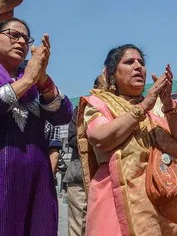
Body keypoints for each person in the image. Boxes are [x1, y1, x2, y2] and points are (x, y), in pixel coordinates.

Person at [0, 18, 73, 235]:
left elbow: (63, 115)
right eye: (13, 35)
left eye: (26, 39)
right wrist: (26, 81)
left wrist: (42, 79)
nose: (22, 42)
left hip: (33, 184)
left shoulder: (37, 81)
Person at [77, 44, 177, 236]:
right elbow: (101, 139)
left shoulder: (159, 105)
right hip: (115, 195)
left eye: (141, 62)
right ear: (112, 74)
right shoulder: (99, 103)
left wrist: (167, 103)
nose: (138, 66)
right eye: (129, 62)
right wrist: (143, 107)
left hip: (160, 197)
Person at [64, 75, 104, 236]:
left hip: (104, 178)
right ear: (94, 88)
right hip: (80, 176)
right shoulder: (82, 107)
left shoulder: (115, 107)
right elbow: (73, 138)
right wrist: (102, 138)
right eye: (105, 85)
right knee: (78, 227)